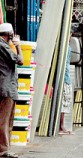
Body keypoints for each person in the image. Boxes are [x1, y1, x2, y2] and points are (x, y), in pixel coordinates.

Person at [0, 23, 23, 158]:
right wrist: (18, 45)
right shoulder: (2, 45)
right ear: (9, 34)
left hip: (5, 87)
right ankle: (4, 150)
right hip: (6, 88)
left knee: (5, 119)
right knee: (5, 120)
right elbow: (20, 60)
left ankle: (4, 148)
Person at [59, 31, 74, 135]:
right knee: (64, 103)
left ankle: (60, 125)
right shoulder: (66, 48)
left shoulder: (62, 47)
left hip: (62, 77)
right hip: (65, 78)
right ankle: (61, 126)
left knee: (62, 102)